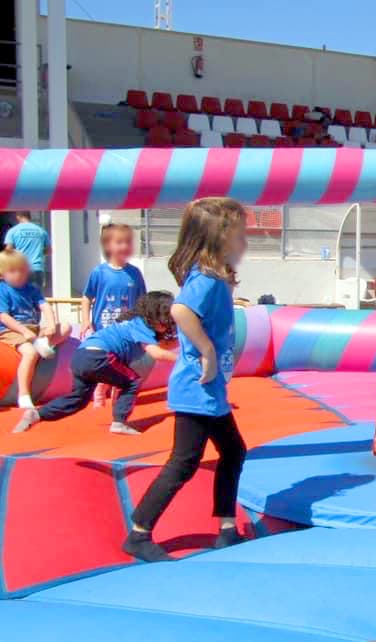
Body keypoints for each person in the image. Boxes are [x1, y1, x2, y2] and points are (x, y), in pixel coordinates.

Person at [123, 197, 248, 562]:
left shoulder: (214, 276)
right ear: (218, 237)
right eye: (239, 234)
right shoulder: (205, 279)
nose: (244, 241)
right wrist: (207, 350)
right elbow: (180, 311)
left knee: (233, 451)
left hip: (210, 389)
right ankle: (139, 533)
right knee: (185, 461)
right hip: (197, 387)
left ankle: (227, 527)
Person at [13, 291, 178, 435]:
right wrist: (182, 359)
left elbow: (162, 345)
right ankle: (119, 422)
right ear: (156, 317)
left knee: (79, 399)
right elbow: (156, 353)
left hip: (80, 356)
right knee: (132, 381)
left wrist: (186, 342)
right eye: (167, 320)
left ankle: (37, 414)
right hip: (98, 356)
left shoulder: (134, 323)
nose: (168, 325)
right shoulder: (142, 326)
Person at [81, 223, 147, 406]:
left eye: (128, 242)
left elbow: (143, 301)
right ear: (108, 246)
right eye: (119, 242)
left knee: (124, 360)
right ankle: (101, 388)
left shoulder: (135, 274)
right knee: (108, 360)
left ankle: (118, 393)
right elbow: (87, 297)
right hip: (104, 327)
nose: (125, 246)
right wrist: (86, 321)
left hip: (127, 328)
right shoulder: (99, 272)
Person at [0, 249, 70, 409]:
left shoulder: (31, 288)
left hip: (34, 328)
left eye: (22, 270)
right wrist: (24, 332)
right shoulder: (2, 290)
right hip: (11, 331)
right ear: (2, 274)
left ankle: (44, 344)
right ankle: (24, 394)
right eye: (13, 271)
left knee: (66, 327)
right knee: (30, 353)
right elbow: (3, 316)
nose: (19, 274)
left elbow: (45, 306)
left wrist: (51, 325)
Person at [4, 212, 49, 291]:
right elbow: (49, 250)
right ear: (29, 216)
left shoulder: (13, 231)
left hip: (20, 269)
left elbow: (8, 251)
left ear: (18, 216)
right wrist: (38, 253)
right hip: (37, 269)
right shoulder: (41, 230)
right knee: (35, 295)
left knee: (19, 295)